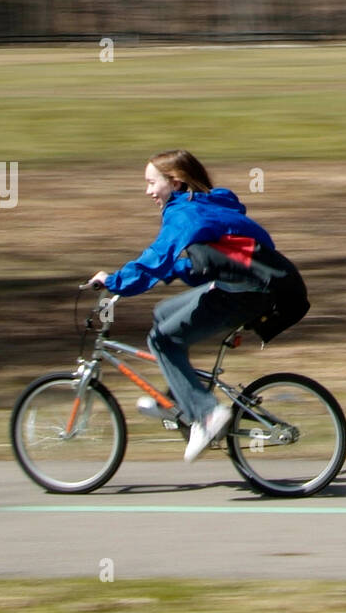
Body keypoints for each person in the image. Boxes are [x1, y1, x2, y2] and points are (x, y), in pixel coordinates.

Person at [88, 149, 308, 463]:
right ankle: (177, 399)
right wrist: (171, 272)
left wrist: (115, 281)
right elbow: (209, 261)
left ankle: (206, 415)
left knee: (162, 339)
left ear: (175, 182)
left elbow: (155, 258)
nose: (148, 191)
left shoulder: (184, 214)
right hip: (249, 284)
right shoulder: (203, 204)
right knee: (163, 313)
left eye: (153, 183)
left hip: (247, 291)